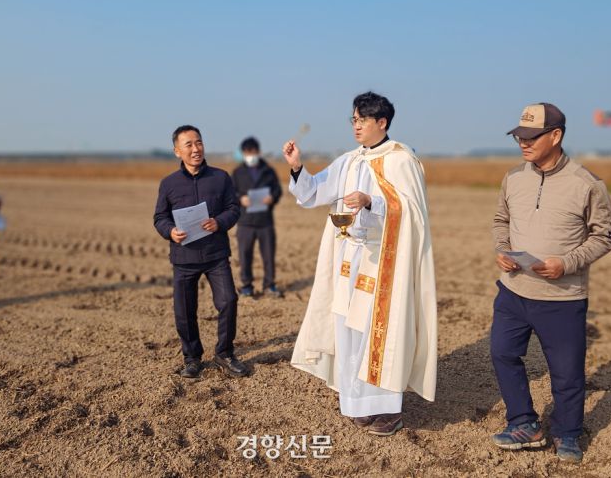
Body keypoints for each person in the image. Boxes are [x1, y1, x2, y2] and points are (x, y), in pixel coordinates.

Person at [283, 92, 437, 437]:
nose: (356, 126)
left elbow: (414, 214)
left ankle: (385, 411)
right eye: (353, 120)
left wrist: (372, 202)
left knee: (378, 332)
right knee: (349, 329)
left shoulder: (401, 160)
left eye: (362, 120)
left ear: (381, 123)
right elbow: (314, 193)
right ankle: (357, 404)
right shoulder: (350, 160)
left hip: (385, 264)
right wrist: (297, 167)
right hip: (349, 260)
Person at [490, 103, 611, 463]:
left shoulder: (586, 183)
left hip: (562, 298)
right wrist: (503, 249)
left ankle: (568, 433)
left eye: (531, 137)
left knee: (566, 372)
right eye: (519, 136)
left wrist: (567, 263)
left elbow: (606, 235)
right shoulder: (514, 177)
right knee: (502, 353)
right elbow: (501, 220)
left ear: (556, 136)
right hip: (513, 291)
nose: (523, 143)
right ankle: (523, 423)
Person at [154, 125, 249, 379]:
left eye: (199, 142)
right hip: (184, 257)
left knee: (228, 300)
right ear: (177, 151)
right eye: (189, 145)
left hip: (216, 254)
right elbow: (159, 217)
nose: (196, 149)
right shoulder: (169, 184)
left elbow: (233, 208)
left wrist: (219, 222)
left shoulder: (220, 178)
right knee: (184, 311)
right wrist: (170, 231)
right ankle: (192, 358)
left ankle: (225, 353)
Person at [231, 136, 283, 298]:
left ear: (258, 152)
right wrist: (240, 199)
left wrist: (272, 198)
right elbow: (231, 194)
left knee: (268, 256)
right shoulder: (237, 172)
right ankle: (247, 286)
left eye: (253, 152)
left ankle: (269, 285)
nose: (250, 155)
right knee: (244, 255)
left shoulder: (268, 170)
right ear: (243, 153)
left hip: (265, 221)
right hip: (245, 222)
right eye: (247, 152)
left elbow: (277, 190)